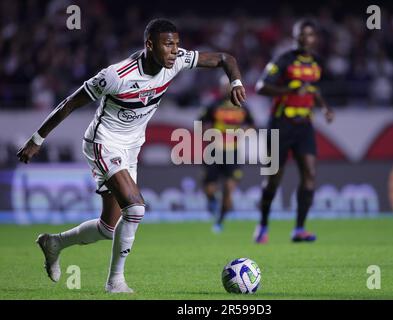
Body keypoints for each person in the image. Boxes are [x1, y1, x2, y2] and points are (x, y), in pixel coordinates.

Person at [16, 19, 246, 293]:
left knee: (107, 228)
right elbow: (69, 103)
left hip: (131, 147)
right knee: (135, 208)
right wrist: (37, 139)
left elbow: (224, 58)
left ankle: (54, 243)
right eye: (168, 44)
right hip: (103, 143)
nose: (175, 50)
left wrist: (236, 81)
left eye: (177, 44)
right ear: (150, 44)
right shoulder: (116, 75)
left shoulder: (179, 61)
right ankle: (115, 282)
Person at [253, 19, 334, 244]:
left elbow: (313, 89)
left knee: (310, 174)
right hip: (280, 124)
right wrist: (289, 89)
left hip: (304, 125)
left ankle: (299, 229)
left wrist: (325, 107)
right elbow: (261, 87)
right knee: (273, 180)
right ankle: (262, 225)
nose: (304, 38)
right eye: (300, 34)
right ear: (295, 37)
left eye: (309, 34)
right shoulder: (283, 59)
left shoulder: (317, 62)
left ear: (314, 38)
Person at [198, 75, 254, 233]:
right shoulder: (213, 105)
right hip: (214, 150)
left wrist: (244, 130)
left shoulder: (242, 107)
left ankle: (220, 221)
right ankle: (212, 202)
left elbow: (251, 125)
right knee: (209, 188)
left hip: (233, 152)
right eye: (224, 86)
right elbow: (201, 123)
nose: (227, 89)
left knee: (229, 188)